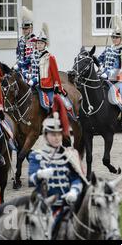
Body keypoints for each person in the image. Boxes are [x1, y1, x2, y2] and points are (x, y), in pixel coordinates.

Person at [28, 95, 87, 223]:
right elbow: (31, 180)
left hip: (66, 206)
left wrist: (74, 191)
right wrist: (40, 174)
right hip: (45, 208)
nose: (56, 137)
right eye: (52, 134)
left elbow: (77, 179)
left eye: (59, 134)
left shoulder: (70, 155)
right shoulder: (37, 156)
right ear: (45, 135)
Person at [97, 16, 122, 128]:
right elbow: (100, 58)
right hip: (104, 77)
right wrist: (94, 60)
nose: (114, 39)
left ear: (120, 39)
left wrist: (108, 73)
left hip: (116, 79)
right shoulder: (108, 48)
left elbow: (117, 65)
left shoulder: (121, 51)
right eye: (113, 37)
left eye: (116, 37)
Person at [28, 23, 67, 111]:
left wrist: (57, 86)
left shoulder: (50, 57)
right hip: (35, 85)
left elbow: (55, 73)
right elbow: (33, 70)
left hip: (47, 86)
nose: (39, 45)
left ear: (45, 44)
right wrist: (29, 77)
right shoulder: (33, 55)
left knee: (52, 104)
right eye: (38, 43)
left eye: (41, 43)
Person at [15, 6, 36, 79]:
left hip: (32, 68)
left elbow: (34, 56)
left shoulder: (35, 40)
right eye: (23, 29)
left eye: (26, 29)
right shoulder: (21, 40)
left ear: (31, 28)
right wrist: (18, 63)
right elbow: (18, 53)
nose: (24, 31)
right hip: (20, 67)